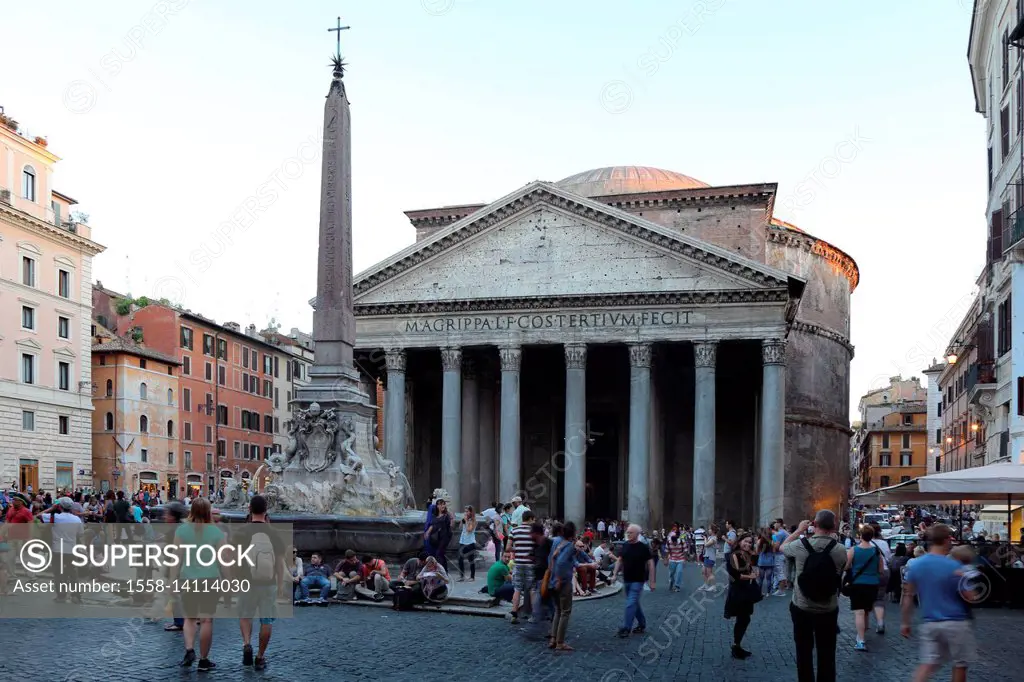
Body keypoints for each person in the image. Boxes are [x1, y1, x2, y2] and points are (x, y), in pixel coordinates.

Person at [902, 524, 977, 682]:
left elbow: (908, 595)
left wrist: (905, 622)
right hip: (956, 621)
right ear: (946, 540)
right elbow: (969, 596)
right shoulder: (954, 566)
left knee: (927, 664)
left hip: (930, 622)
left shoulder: (916, 565)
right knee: (960, 664)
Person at [782, 511, 848, 682]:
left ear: (814, 524)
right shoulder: (841, 550)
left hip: (802, 606)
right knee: (827, 653)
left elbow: (782, 547)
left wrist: (799, 530)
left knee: (803, 651)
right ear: (833, 526)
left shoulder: (800, 545)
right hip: (828, 608)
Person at [174, 497, 225, 671]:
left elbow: (176, 559)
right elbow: (224, 561)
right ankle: (204, 660)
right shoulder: (217, 533)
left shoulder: (181, 530)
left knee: (189, 618)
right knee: (206, 620)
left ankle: (189, 650)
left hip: (187, 579)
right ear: (209, 511)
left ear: (192, 511)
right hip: (210, 579)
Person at [236, 495, 285, 672]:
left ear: (249, 509)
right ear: (266, 510)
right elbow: (280, 562)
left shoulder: (241, 531)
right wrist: (280, 584)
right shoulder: (273, 532)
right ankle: (260, 656)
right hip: (268, 582)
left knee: (245, 615)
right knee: (266, 620)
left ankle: (247, 643)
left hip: (245, 580)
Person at [844, 524, 883, 652]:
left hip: (858, 584)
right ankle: (862, 635)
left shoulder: (853, 550)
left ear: (860, 536)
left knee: (859, 612)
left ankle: (861, 640)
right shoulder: (876, 552)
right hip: (872, 584)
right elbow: (881, 570)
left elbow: (846, 566)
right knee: (866, 611)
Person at [612, 523, 656, 638]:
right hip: (627, 579)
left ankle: (626, 627)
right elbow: (620, 560)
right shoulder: (625, 545)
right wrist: (615, 574)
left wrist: (652, 581)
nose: (628, 534)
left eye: (631, 532)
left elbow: (651, 564)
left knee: (630, 603)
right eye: (627, 532)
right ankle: (642, 624)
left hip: (638, 580)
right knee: (634, 603)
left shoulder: (643, 547)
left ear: (637, 534)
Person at [544, 521, 578, 652]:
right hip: (562, 582)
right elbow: (562, 562)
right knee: (565, 612)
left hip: (552, 580)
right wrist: (559, 579)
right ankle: (560, 642)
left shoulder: (555, 542)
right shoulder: (569, 545)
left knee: (558, 610)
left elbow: (551, 560)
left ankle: (553, 638)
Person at [724, 533, 760, 659]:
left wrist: (752, 571)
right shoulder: (734, 555)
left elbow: (751, 564)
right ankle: (736, 646)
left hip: (745, 590)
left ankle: (737, 645)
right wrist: (751, 576)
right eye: (746, 541)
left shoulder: (745, 554)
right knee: (742, 619)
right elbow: (736, 575)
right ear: (739, 541)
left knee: (744, 619)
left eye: (750, 542)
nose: (748, 544)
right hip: (738, 591)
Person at [506, 509, 537, 625]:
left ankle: (514, 614)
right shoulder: (534, 531)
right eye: (533, 519)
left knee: (517, 588)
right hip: (530, 564)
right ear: (530, 519)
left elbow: (507, 548)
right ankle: (534, 615)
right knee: (532, 589)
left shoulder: (514, 530)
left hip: (518, 563)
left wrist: (517, 549)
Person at [426, 498, 453, 569]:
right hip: (437, 538)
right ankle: (445, 571)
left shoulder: (446, 515)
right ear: (437, 506)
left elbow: (451, 525)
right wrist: (427, 533)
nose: (443, 506)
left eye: (444, 504)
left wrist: (452, 519)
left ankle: (440, 572)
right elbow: (432, 525)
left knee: (438, 554)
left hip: (444, 537)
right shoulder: (435, 516)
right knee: (441, 554)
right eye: (441, 504)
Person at [457, 506, 478, 582]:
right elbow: (460, 528)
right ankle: (461, 576)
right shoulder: (465, 519)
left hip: (470, 542)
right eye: (465, 511)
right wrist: (461, 521)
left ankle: (472, 576)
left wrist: (466, 521)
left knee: (471, 560)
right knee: (460, 559)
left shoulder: (473, 520)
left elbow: (469, 530)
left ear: (471, 512)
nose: (466, 513)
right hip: (462, 541)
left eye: (467, 511)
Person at [771, 519, 790, 596]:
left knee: (780, 572)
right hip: (785, 554)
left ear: (779, 524)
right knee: (783, 572)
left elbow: (776, 546)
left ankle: (781, 591)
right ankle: (781, 589)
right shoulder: (785, 532)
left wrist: (772, 541)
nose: (774, 525)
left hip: (779, 555)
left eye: (775, 523)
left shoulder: (779, 534)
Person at [755, 528, 775, 597]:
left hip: (761, 562)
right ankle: (768, 593)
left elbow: (757, 552)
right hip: (770, 562)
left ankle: (759, 592)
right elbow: (774, 552)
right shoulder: (772, 542)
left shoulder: (759, 541)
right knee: (769, 579)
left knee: (761, 579)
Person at [699, 524, 719, 592]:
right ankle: (706, 584)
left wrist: (705, 538)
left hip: (710, 557)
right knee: (703, 571)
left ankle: (714, 586)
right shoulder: (710, 537)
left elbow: (706, 545)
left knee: (709, 573)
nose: (708, 530)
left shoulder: (714, 538)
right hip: (707, 556)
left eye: (709, 529)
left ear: (713, 530)